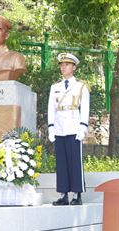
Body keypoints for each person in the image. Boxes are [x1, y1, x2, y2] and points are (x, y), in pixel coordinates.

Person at [47, 52, 90, 206]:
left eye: (66, 65)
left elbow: (84, 108)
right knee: (61, 162)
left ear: (74, 67)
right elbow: (51, 109)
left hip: (74, 128)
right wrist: (51, 127)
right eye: (62, 65)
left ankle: (77, 194)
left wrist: (83, 128)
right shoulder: (55, 87)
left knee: (75, 162)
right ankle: (63, 194)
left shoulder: (81, 86)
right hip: (59, 128)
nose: (63, 67)